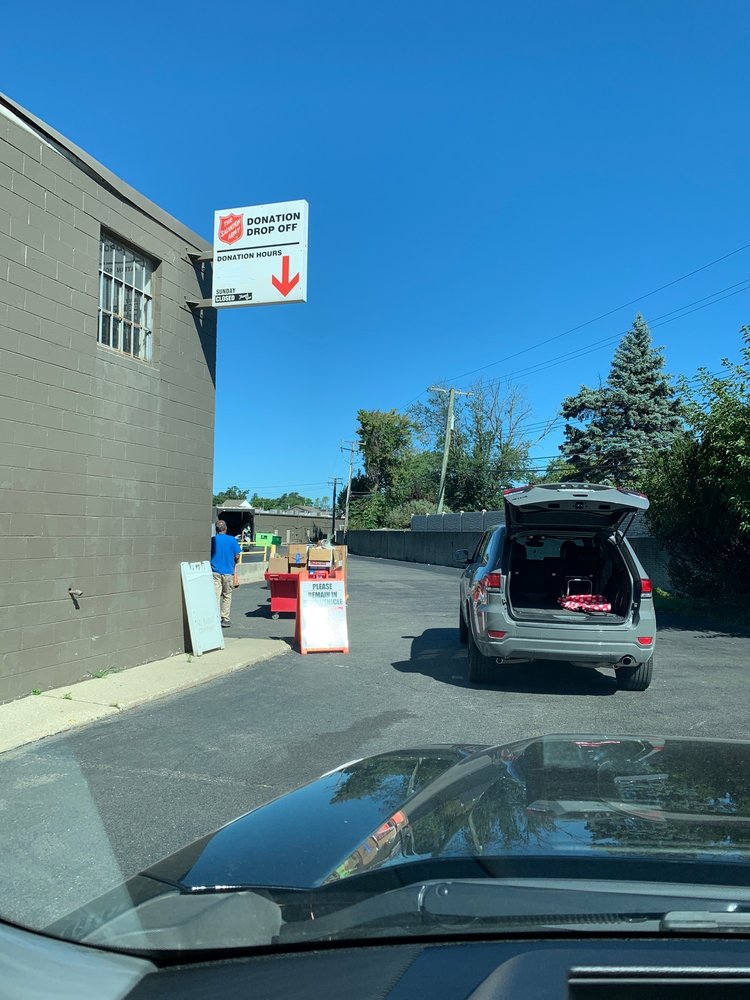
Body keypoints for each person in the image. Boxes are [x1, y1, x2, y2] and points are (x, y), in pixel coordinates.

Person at [210, 520, 241, 627]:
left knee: (215, 595)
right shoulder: (232, 540)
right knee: (227, 595)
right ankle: (225, 618)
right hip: (228, 572)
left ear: (216, 530)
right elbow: (237, 556)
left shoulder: (212, 540)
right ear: (226, 529)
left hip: (215, 571)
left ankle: (215, 617)